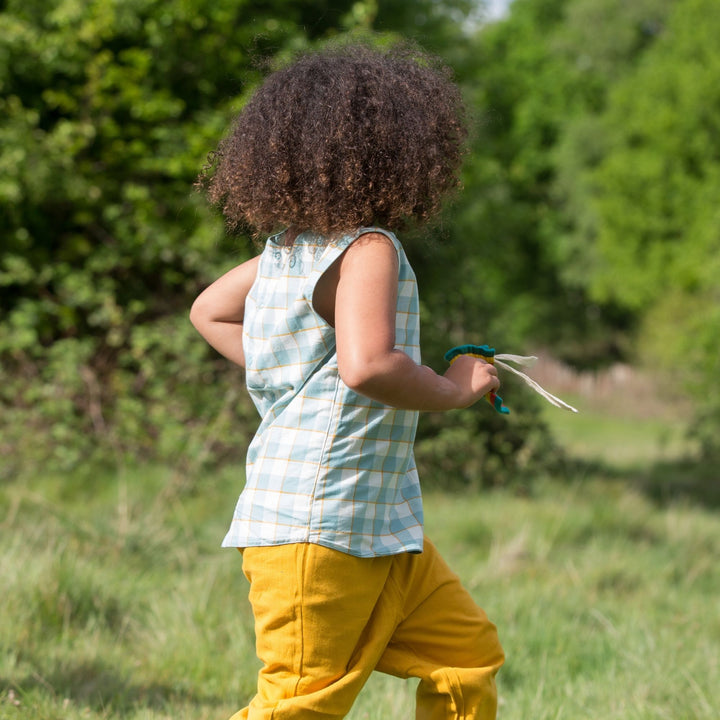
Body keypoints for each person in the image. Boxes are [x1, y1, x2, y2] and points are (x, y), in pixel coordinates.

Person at [190, 42, 505, 720]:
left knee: (465, 655)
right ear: (399, 150)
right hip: (319, 527)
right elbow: (366, 366)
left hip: (380, 525)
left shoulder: (283, 253)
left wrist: (286, 366)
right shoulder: (369, 248)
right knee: (298, 707)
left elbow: (207, 311)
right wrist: (451, 389)